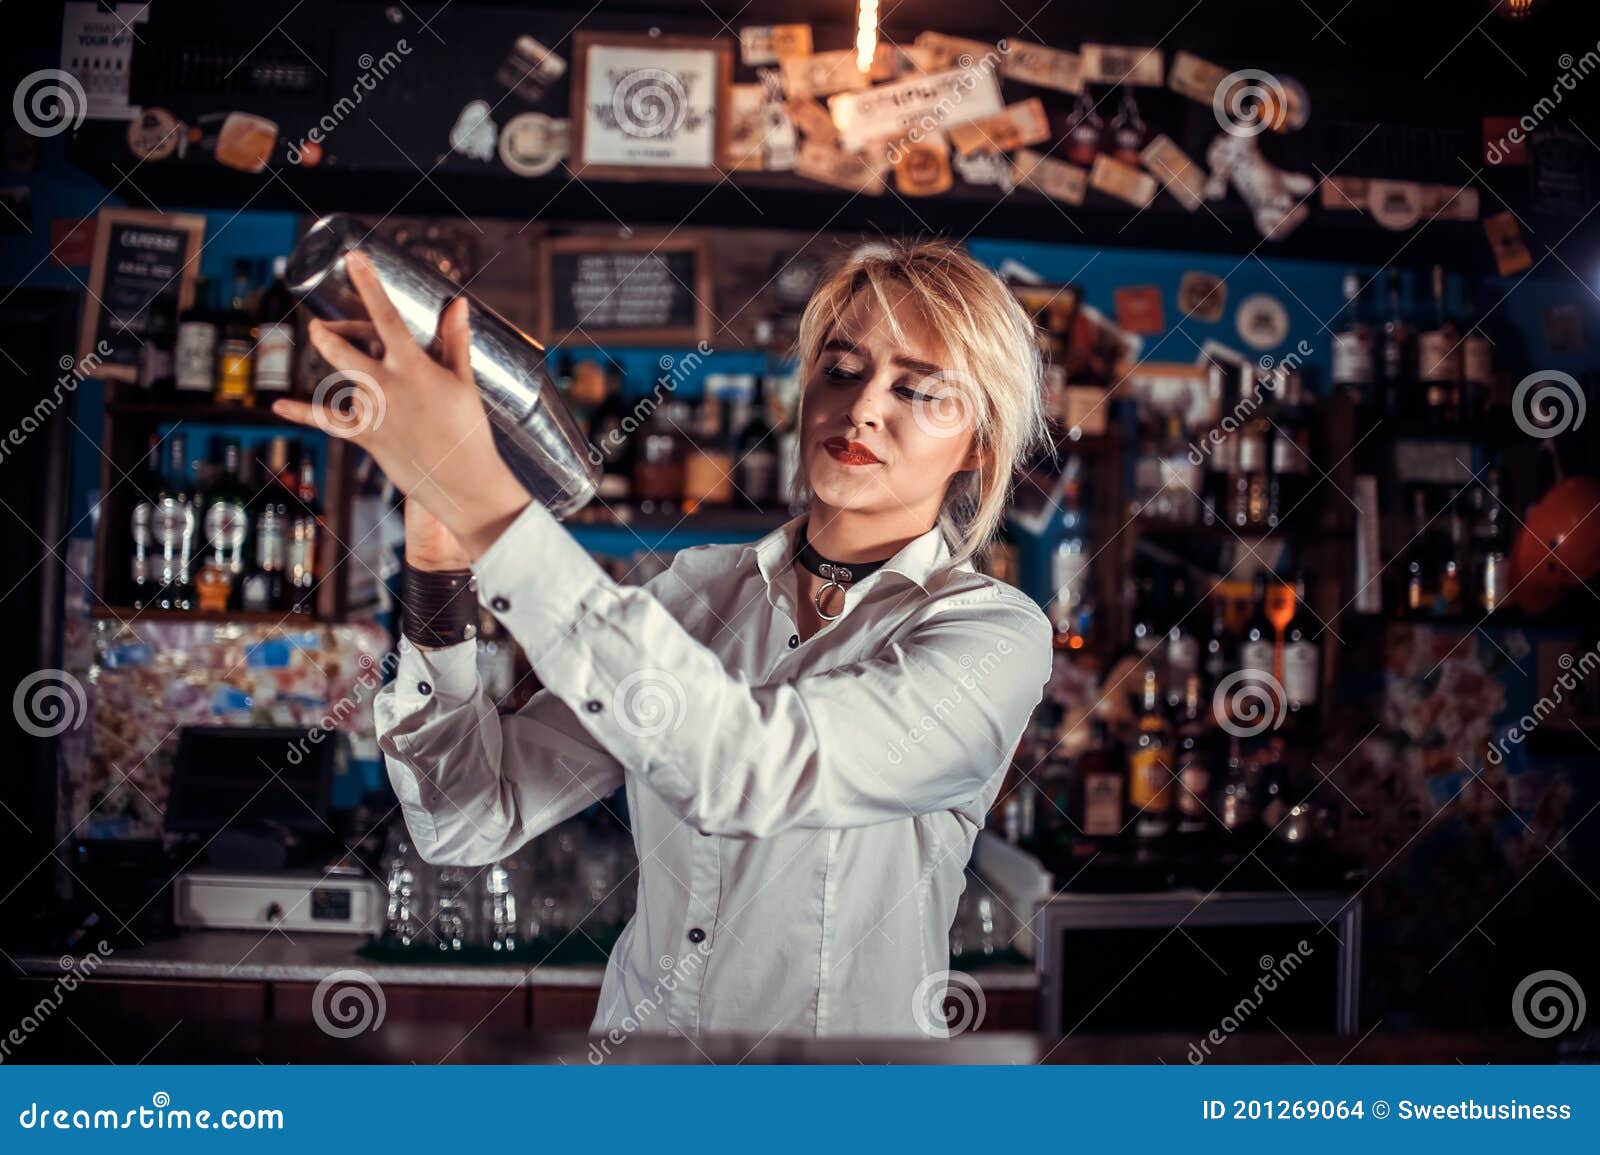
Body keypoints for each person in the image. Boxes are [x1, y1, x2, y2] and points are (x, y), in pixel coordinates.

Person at [272, 239, 1055, 1039]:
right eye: (844, 369)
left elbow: (754, 769)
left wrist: (485, 499)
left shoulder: (990, 635)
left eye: (920, 390)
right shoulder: (695, 591)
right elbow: (469, 817)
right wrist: (438, 571)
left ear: (982, 443)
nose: (862, 408)